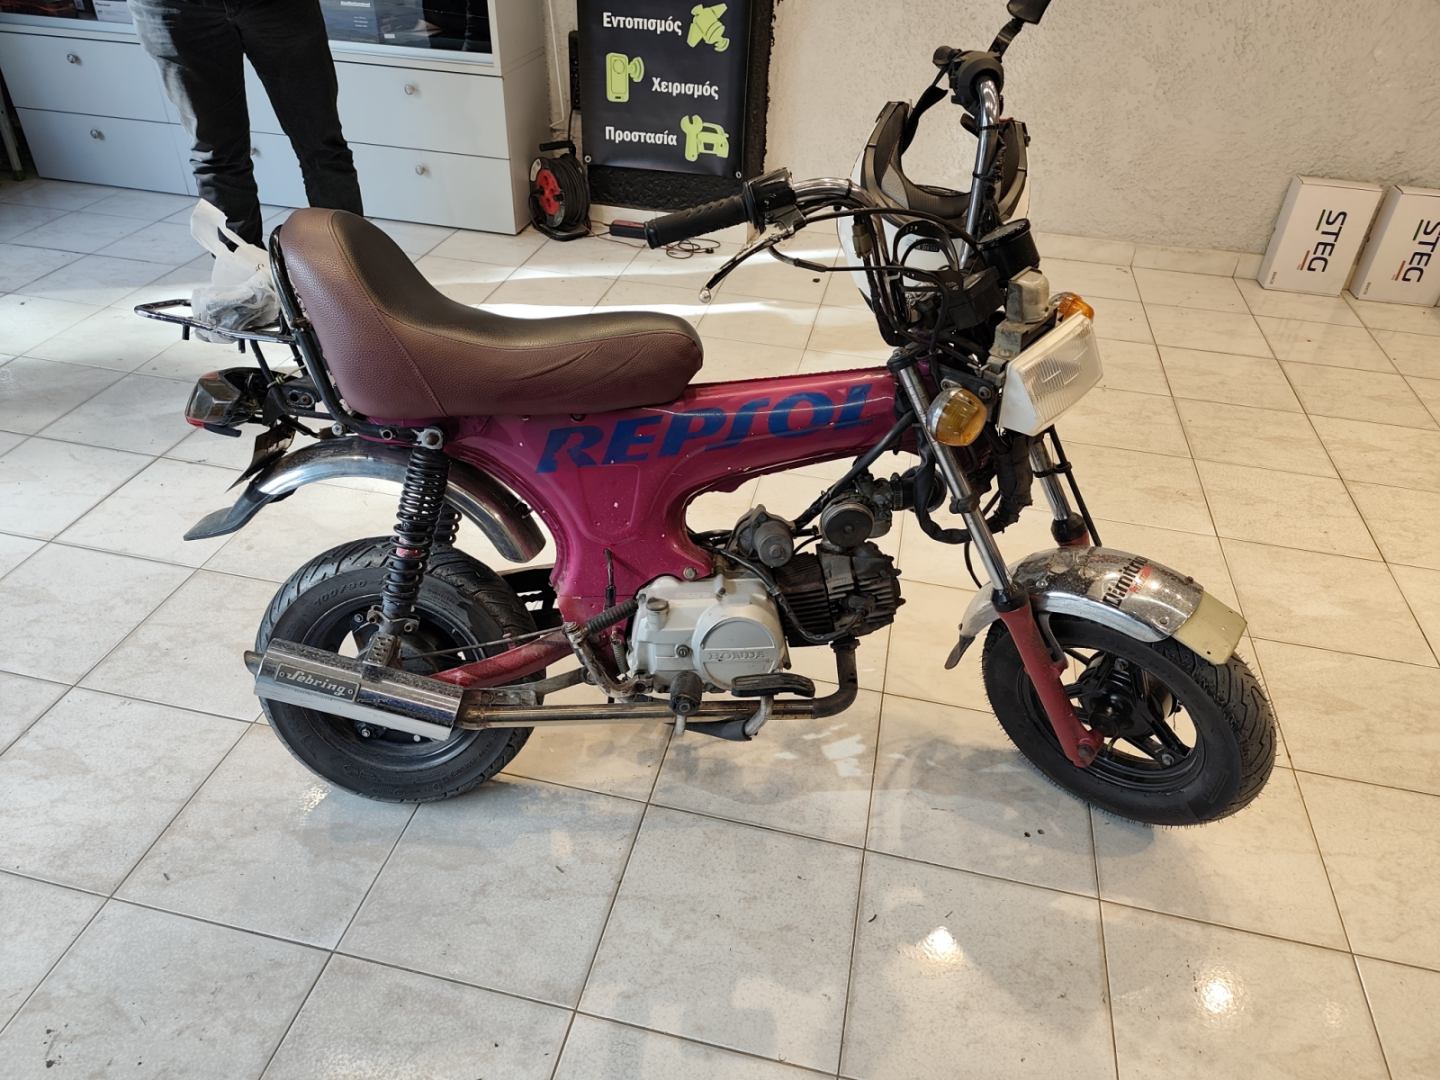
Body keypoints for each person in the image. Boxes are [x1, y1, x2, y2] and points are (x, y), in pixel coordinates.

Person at [129, 0, 363, 247]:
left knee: (323, 148)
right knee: (217, 158)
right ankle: (244, 270)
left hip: (278, 7)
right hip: (176, 9)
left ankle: (349, 265)